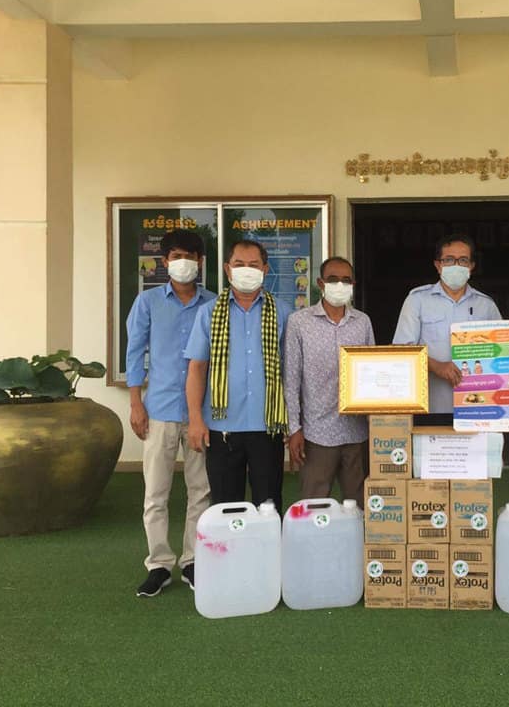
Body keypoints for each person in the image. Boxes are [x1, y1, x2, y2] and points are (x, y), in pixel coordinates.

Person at [126, 229, 216, 598]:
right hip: (159, 409)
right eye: (176, 255)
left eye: (191, 256)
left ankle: (193, 562)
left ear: (201, 262)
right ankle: (159, 564)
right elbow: (134, 352)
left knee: (201, 490)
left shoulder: (213, 303)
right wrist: (135, 403)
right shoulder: (147, 303)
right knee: (156, 492)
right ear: (164, 261)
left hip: (202, 414)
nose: (184, 262)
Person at [185, 239, 292, 511]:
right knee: (225, 507)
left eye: (253, 265)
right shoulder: (208, 313)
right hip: (222, 428)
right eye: (239, 264)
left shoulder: (283, 312)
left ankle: (268, 555)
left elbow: (291, 372)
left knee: (268, 505)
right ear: (227, 268)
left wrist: (295, 423)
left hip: (267, 427)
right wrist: (196, 420)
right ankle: (229, 555)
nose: (246, 270)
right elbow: (197, 368)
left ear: (265, 269)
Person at [283, 256, 375, 508]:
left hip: (356, 432)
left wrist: (376, 422)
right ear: (320, 283)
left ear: (353, 284)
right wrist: (294, 429)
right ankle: (315, 548)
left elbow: (373, 373)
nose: (340, 285)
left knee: (357, 506)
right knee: (314, 506)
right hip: (316, 433)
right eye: (333, 279)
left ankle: (354, 549)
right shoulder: (299, 322)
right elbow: (291, 379)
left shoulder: (362, 322)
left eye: (346, 280)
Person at [392, 234, 501, 413]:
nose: (456, 265)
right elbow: (401, 351)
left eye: (463, 260)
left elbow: (502, 351)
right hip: (429, 406)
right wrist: (436, 366)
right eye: (449, 260)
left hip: (478, 406)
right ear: (438, 265)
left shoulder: (486, 305)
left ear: (472, 266)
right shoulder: (417, 300)